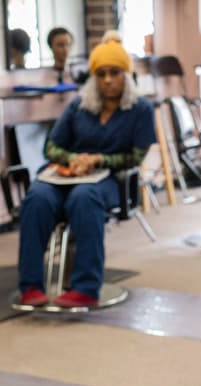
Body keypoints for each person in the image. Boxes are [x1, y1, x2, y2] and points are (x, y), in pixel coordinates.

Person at [16, 32, 155, 308]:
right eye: (101, 74)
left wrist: (98, 161)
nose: (107, 80)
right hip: (66, 174)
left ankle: (86, 287)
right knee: (37, 198)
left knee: (84, 197)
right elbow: (51, 147)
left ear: (125, 75)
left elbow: (136, 156)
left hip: (110, 181)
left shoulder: (141, 110)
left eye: (114, 73)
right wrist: (75, 159)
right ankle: (30, 285)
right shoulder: (78, 106)